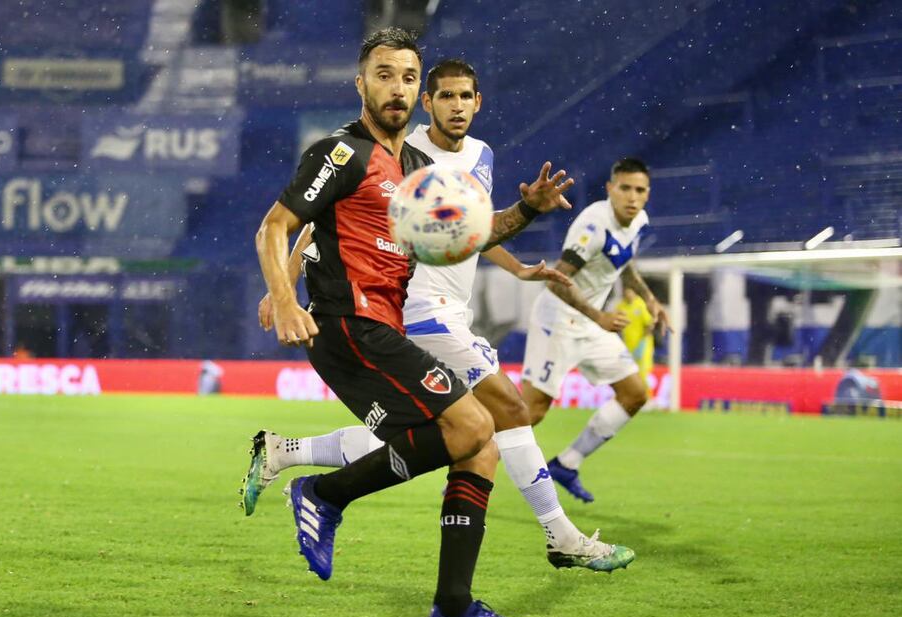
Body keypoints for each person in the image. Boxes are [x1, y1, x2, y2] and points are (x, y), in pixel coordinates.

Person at [247, 59, 634, 577]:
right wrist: (284, 283)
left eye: (465, 96)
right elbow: (325, 218)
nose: (456, 106)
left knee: (439, 434)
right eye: (445, 96)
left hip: (452, 307)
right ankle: (559, 535)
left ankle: (287, 452)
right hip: (416, 307)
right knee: (507, 411)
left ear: (479, 102)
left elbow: (468, 229)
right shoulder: (402, 151)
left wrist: (521, 248)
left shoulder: (482, 155)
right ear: (427, 103)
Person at [520, 157, 670, 504]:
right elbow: (557, 280)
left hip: (590, 324)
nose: (632, 197)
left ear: (647, 194)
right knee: (531, 413)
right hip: (558, 321)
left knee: (634, 394)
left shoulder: (638, 221)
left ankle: (567, 464)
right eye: (625, 188)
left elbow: (624, 262)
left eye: (640, 190)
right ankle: (470, 468)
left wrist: (649, 299)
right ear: (610, 189)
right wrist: (597, 315)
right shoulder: (593, 226)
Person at [615, 286, 655, 402]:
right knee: (628, 374)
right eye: (626, 293)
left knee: (642, 374)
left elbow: (650, 324)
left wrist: (642, 343)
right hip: (627, 346)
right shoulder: (621, 306)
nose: (628, 295)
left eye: (630, 292)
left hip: (643, 346)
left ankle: (647, 399)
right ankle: (631, 399)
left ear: (635, 293)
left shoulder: (640, 305)